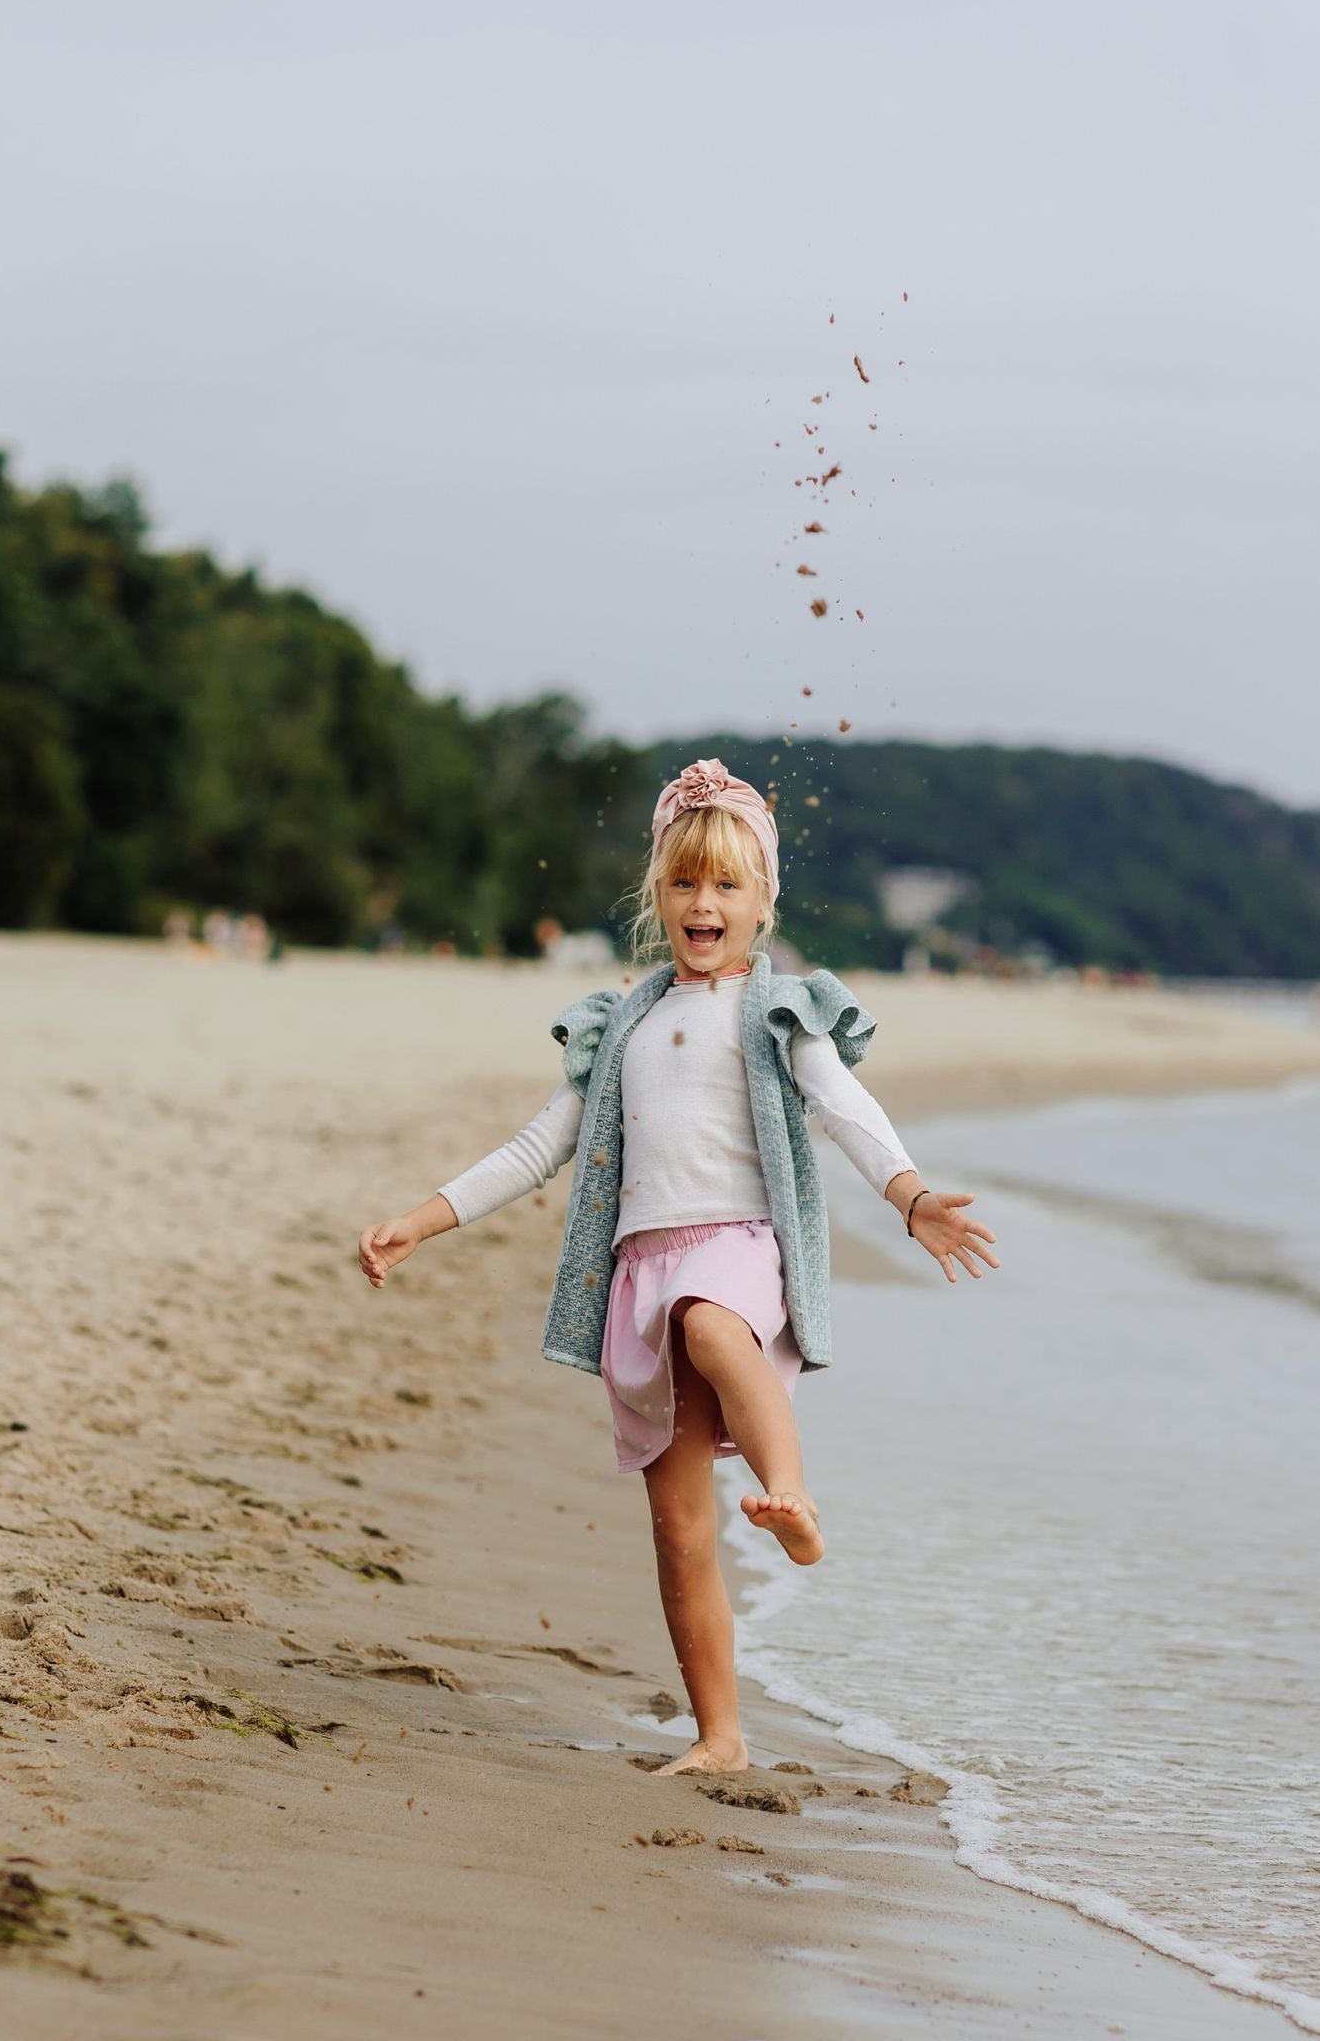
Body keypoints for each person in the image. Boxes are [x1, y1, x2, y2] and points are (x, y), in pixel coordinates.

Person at [356, 759, 998, 1776]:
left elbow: (844, 1111)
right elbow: (537, 1147)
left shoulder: (777, 1011)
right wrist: (420, 1219)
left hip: (734, 1254)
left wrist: (909, 1194)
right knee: (677, 1531)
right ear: (655, 892)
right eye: (685, 883)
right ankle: (721, 1737)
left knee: (709, 1321)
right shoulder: (625, 1023)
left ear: (763, 901)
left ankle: (792, 1498)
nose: (705, 904)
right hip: (638, 1277)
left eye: (727, 886)